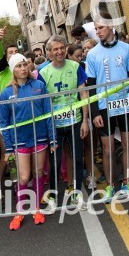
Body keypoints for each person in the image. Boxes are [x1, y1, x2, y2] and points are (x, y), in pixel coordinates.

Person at [86, 15, 129, 200]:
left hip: (125, 103)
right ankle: (110, 186)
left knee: (128, 145)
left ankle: (127, 182)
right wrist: (94, 113)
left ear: (110, 26)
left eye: (101, 28)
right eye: (96, 29)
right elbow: (92, 86)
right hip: (104, 106)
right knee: (108, 148)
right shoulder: (93, 54)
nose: (98, 31)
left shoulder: (126, 48)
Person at [0, 54, 53, 229]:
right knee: (23, 177)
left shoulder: (39, 86)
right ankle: (20, 211)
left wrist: (53, 138)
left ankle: (36, 208)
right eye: (18, 66)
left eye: (24, 65)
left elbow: (48, 113)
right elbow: (4, 123)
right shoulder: (6, 92)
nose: (22, 68)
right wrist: (8, 147)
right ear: (12, 70)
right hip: (20, 140)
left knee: (38, 173)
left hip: (40, 137)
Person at [39, 36, 88, 205]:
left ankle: (76, 191)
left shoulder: (76, 67)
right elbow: (41, 100)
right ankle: (52, 193)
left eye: (62, 48)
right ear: (49, 53)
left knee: (77, 158)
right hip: (55, 125)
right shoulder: (43, 72)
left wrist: (85, 121)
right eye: (55, 49)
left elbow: (83, 94)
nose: (59, 52)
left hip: (75, 121)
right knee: (55, 161)